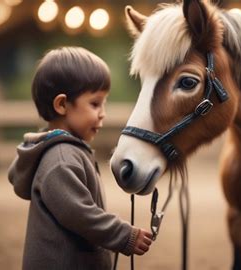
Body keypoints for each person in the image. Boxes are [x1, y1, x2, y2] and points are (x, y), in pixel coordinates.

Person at [8, 46, 152, 270]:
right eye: (95, 103)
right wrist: (125, 235)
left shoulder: (69, 150)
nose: (103, 112)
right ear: (62, 104)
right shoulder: (61, 158)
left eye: (104, 103)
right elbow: (81, 215)